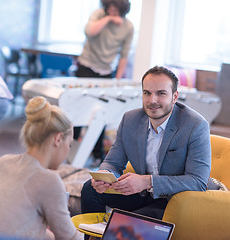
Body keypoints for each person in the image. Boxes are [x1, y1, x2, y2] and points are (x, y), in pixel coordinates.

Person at [81, 66, 211, 223]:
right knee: (90, 189)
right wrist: (103, 177)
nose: (152, 100)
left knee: (128, 221)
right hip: (141, 193)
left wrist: (147, 181)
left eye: (161, 93)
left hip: (174, 200)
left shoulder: (195, 125)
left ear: (174, 96)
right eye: (147, 93)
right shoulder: (130, 119)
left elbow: (197, 181)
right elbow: (113, 162)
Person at [0, 96, 83, 240]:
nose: (68, 151)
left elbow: (23, 225)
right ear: (58, 139)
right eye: (70, 145)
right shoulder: (49, 180)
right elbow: (69, 237)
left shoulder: (4, 162)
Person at [75, 0, 134, 164]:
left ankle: (97, 153)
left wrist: (118, 79)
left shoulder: (128, 27)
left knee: (100, 112)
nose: (112, 12)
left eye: (116, 10)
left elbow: (124, 55)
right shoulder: (99, 15)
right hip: (86, 66)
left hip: (106, 72)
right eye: (110, 9)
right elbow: (89, 31)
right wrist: (108, 19)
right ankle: (71, 148)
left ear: (123, 10)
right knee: (78, 109)